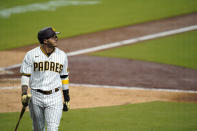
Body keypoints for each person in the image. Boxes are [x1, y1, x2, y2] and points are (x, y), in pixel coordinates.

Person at [20, 27, 70, 131]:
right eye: (53, 37)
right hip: (36, 97)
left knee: (52, 129)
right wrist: (24, 93)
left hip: (55, 96)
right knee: (38, 129)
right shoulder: (31, 55)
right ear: (45, 40)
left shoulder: (62, 55)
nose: (56, 38)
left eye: (56, 36)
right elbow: (25, 75)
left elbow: (64, 77)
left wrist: (66, 98)